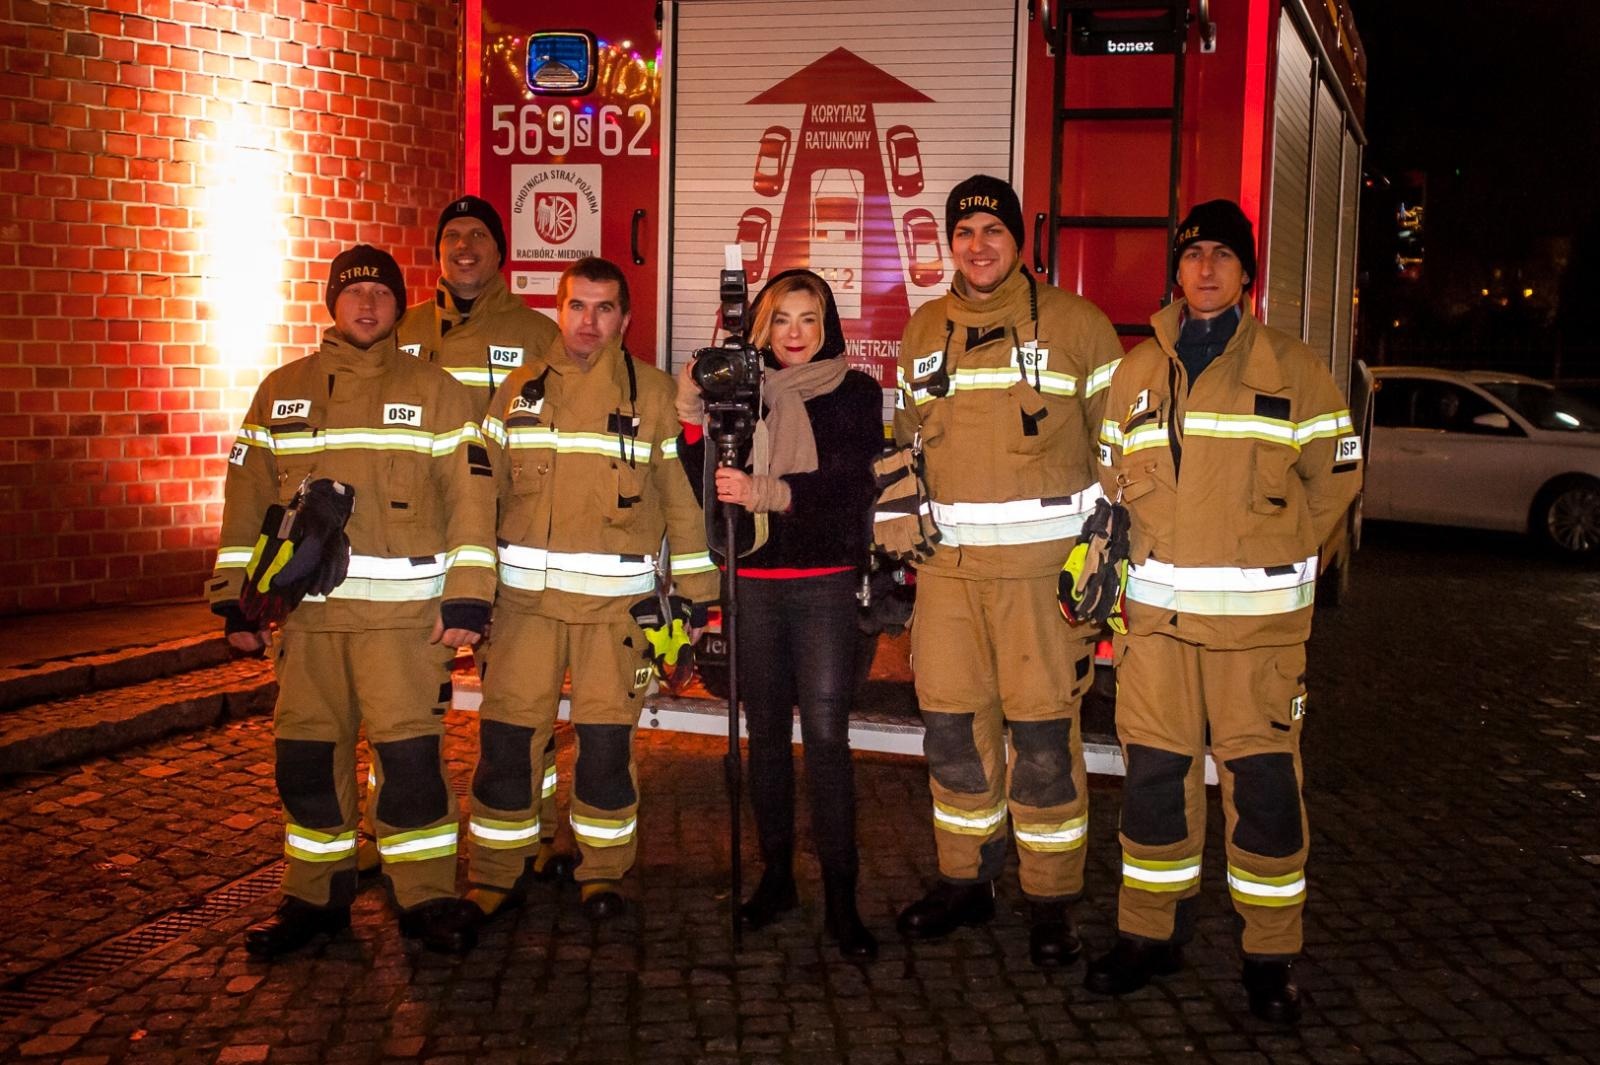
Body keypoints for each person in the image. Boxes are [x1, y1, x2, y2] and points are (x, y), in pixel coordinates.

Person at [1087, 200, 1362, 1023]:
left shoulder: (1293, 367)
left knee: (1267, 794)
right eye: (1193, 253)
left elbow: (1337, 475)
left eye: (1223, 255)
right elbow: (1111, 477)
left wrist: (1275, 552)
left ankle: (1269, 956)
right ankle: (1150, 935)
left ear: (1248, 273)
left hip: (1257, 638)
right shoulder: (1138, 371)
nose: (1205, 268)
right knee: (1154, 787)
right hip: (1158, 636)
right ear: (1177, 268)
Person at [208, 244, 496, 957]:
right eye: (353, 291)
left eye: (381, 293)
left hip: (403, 627)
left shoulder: (439, 392)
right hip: (307, 625)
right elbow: (245, 498)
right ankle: (315, 898)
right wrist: (234, 600)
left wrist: (467, 598)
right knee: (305, 762)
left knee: (410, 767)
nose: (367, 303)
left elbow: (471, 501)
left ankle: (425, 896)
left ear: (400, 306)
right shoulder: (280, 392)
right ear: (331, 303)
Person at [891, 175, 1124, 967]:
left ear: (1019, 242)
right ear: (948, 243)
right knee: (952, 735)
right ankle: (967, 880)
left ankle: (1051, 898)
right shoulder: (924, 330)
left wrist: (1102, 562)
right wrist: (898, 525)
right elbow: (903, 445)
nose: (978, 244)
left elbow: (1122, 454)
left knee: (1043, 745)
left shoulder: (1079, 327)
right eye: (965, 232)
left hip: (1039, 587)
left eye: (994, 229)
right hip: (948, 581)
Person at [465, 257, 719, 923]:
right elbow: (480, 493)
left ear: (625, 319)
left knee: (607, 748)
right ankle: (500, 870)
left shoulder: (654, 395)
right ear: (559, 308)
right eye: (578, 306)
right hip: (524, 610)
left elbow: (684, 509)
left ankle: (602, 871)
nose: (589, 321)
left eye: (605, 309)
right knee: (506, 744)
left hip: (618, 613)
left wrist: (694, 598)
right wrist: (470, 587)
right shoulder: (519, 389)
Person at [675, 269, 884, 960]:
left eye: (809, 319)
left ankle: (842, 899)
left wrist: (770, 491)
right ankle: (776, 879)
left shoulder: (855, 391)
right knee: (764, 733)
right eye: (782, 320)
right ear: (762, 326)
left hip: (824, 583)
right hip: (756, 581)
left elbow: (850, 484)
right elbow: (705, 477)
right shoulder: (742, 389)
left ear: (827, 326)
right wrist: (690, 417)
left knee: (825, 738)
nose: (795, 334)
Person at [395, 195, 569, 882]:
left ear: (501, 251)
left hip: (501, 545)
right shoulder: (399, 331)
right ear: (438, 251)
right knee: (405, 710)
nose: (464, 246)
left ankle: (537, 833)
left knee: (516, 706)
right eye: (452, 236)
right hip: (412, 549)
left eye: (478, 235)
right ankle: (401, 843)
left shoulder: (535, 335)